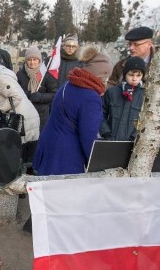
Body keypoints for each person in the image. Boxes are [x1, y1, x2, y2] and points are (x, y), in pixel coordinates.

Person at [32, 49, 110, 178]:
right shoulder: (91, 97)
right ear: (101, 76)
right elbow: (88, 136)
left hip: (50, 145)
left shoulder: (69, 84)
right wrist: (97, 165)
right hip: (67, 155)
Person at [107, 26, 160, 141]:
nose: (131, 48)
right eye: (129, 44)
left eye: (136, 44)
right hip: (129, 125)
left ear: (149, 44)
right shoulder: (121, 65)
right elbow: (111, 84)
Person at [0, 63, 40, 164]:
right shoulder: (4, 76)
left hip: (21, 121)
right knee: (27, 158)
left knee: (17, 157)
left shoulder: (0, 79)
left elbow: (16, 97)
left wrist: (0, 108)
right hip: (27, 117)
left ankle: (19, 177)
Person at [101, 57, 147, 141]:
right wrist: (106, 133)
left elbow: (146, 120)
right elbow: (100, 114)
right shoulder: (112, 92)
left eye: (138, 75)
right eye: (131, 75)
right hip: (110, 140)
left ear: (142, 76)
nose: (134, 78)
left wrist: (135, 136)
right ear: (125, 74)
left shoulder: (145, 95)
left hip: (133, 143)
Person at [17, 46, 56, 130]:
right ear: (26, 60)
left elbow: (54, 94)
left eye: (35, 59)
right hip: (24, 114)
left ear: (39, 60)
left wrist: (40, 97)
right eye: (29, 59)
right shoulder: (20, 74)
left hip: (41, 116)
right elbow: (16, 91)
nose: (32, 62)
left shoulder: (45, 75)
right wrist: (27, 94)